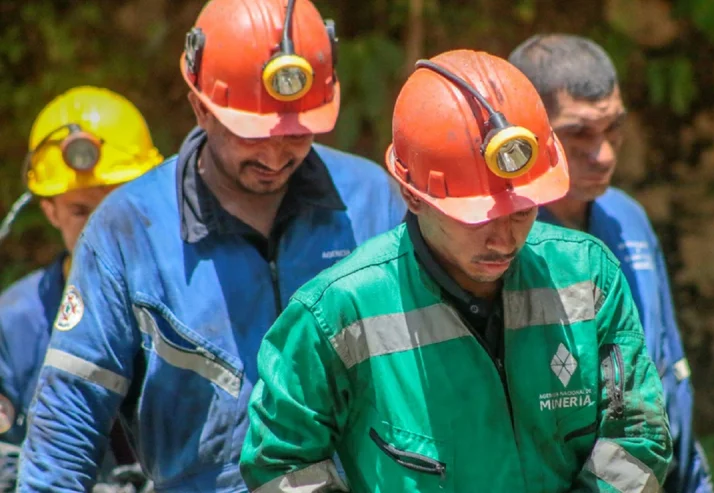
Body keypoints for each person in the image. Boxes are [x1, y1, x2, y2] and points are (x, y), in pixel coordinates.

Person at [240, 49, 672, 492]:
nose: (504, 240)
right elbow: (282, 464)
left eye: (523, 213)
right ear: (413, 195)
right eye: (476, 218)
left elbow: (637, 436)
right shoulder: (337, 315)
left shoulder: (588, 277)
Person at [16, 0, 405, 490]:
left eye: (296, 132)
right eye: (252, 133)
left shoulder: (373, 205)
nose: (275, 153)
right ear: (200, 106)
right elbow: (66, 429)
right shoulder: (128, 233)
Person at [508, 34, 713, 493]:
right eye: (578, 132)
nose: (603, 154)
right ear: (527, 128)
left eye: (613, 127)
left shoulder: (627, 217)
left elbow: (669, 364)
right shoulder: (501, 238)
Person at [0, 86, 163, 493]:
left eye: (117, 202)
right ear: (49, 210)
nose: (101, 226)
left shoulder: (188, 305)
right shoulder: (13, 325)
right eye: (80, 210)